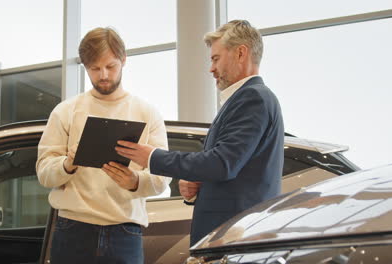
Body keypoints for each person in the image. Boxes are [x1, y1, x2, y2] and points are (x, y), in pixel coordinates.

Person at [116, 20, 285, 246]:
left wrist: (152, 157)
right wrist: (199, 186)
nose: (211, 68)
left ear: (241, 53)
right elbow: (233, 168)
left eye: (216, 58)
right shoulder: (246, 99)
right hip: (231, 237)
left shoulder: (252, 98)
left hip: (234, 240)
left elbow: (222, 163)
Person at [36, 27, 170, 264]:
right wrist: (67, 165)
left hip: (125, 231)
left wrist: (135, 182)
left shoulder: (147, 113)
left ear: (124, 60)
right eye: (95, 69)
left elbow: (162, 177)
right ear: (85, 67)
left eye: (110, 66)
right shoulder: (65, 111)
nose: (104, 75)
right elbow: (44, 174)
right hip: (73, 229)